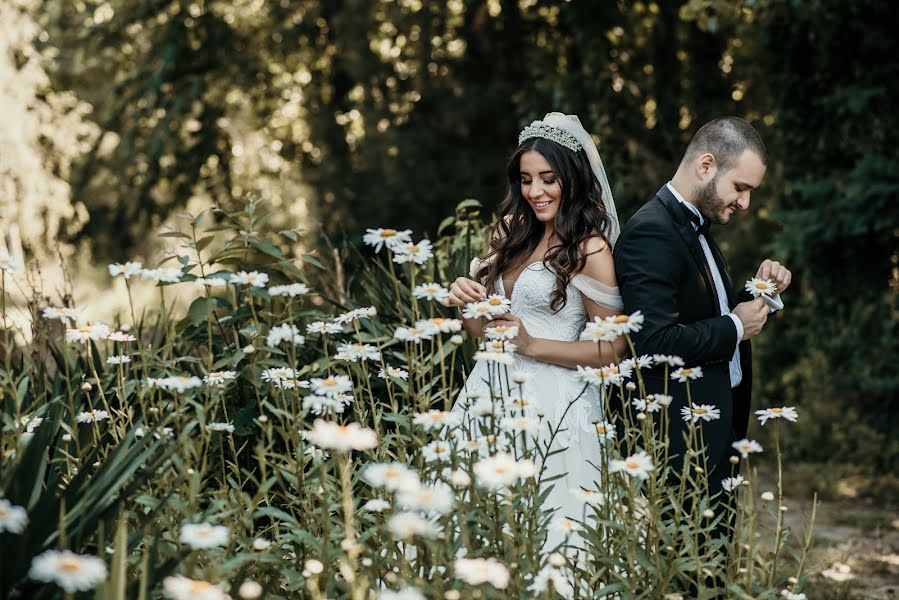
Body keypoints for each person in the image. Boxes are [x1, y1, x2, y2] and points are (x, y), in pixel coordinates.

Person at [442, 112, 625, 552]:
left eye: (548, 179)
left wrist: (532, 344)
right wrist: (468, 301)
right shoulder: (510, 233)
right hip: (490, 391)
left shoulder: (590, 248)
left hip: (557, 406)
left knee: (549, 536)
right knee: (476, 527)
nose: (535, 191)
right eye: (526, 180)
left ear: (572, 179)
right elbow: (481, 334)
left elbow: (615, 347)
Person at [613, 116, 792, 499]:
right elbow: (653, 341)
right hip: (679, 444)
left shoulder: (697, 227)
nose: (745, 203)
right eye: (741, 188)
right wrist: (735, 326)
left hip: (715, 432)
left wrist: (761, 293)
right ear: (706, 165)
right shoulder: (651, 231)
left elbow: (705, 314)